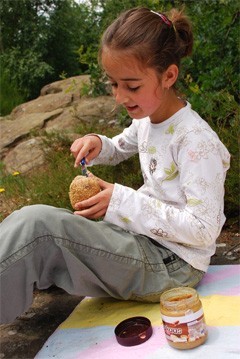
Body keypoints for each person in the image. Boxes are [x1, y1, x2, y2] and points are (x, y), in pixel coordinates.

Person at [0, 7, 230, 324]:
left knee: (38, 229)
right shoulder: (150, 119)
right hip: (140, 240)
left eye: (131, 86)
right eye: (113, 84)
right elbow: (122, 144)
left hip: (174, 264)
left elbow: (204, 232)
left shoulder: (196, 142)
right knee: (29, 222)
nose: (119, 97)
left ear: (169, 76)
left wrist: (121, 201)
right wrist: (98, 143)